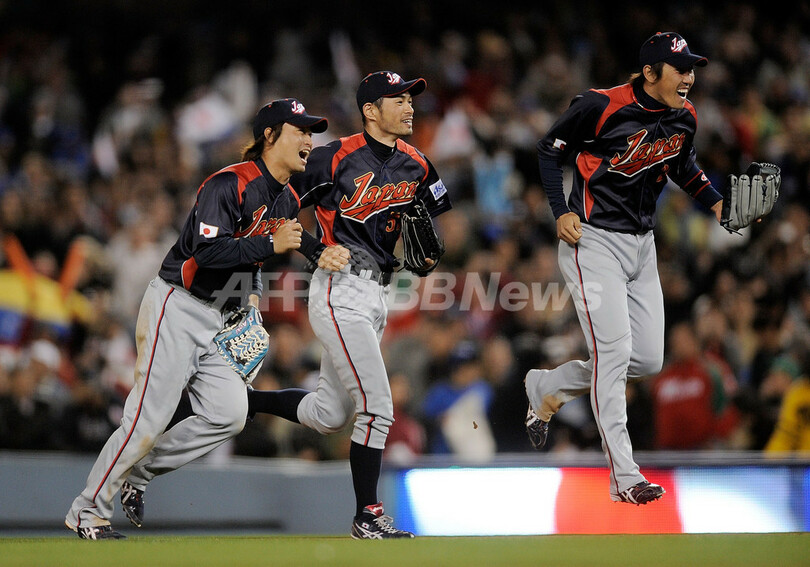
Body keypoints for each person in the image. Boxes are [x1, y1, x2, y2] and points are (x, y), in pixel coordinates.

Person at [64, 98, 328, 539]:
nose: (308, 138)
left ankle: (138, 474)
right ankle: (87, 510)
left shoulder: (286, 198)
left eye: (311, 131)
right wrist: (270, 245)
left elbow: (252, 269)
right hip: (178, 305)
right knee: (148, 419)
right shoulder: (227, 184)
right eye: (298, 130)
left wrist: (251, 310)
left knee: (230, 413)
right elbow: (206, 254)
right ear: (269, 135)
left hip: (222, 316)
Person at [247, 71, 452, 538]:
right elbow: (276, 207)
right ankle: (368, 515)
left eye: (409, 99)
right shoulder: (332, 157)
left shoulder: (418, 164)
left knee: (329, 413)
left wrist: (430, 249)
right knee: (377, 405)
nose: (408, 106)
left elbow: (436, 230)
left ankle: (244, 401)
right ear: (370, 110)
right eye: (396, 99)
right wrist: (314, 249)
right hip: (339, 288)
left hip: (379, 293)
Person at [524, 32, 724, 505]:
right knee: (613, 356)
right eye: (681, 69)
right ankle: (625, 476)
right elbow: (549, 150)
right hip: (591, 240)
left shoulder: (685, 115)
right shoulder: (600, 105)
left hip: (643, 246)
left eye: (693, 68)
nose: (690, 77)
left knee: (647, 360)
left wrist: (715, 203)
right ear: (651, 72)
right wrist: (559, 210)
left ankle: (546, 386)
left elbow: (683, 166)